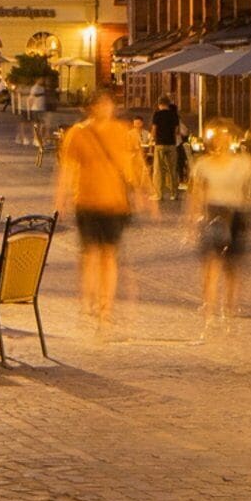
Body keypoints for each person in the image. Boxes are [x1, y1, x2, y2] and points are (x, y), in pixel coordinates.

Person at [56, 89, 148, 332]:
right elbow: (67, 168)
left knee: (109, 255)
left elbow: (132, 163)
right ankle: (88, 301)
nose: (105, 109)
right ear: (92, 107)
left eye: (108, 104)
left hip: (115, 202)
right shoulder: (78, 133)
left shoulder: (122, 131)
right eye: (100, 104)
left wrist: (141, 192)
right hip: (86, 201)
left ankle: (106, 306)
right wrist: (61, 198)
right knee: (89, 255)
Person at [190, 126, 251, 331]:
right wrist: (192, 219)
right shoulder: (204, 165)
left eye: (225, 140)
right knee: (212, 262)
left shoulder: (242, 164)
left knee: (233, 264)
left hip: (236, 212)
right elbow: (197, 192)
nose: (221, 144)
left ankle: (230, 305)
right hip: (213, 211)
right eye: (218, 140)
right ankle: (209, 305)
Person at [151, 95, 188, 209]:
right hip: (171, 144)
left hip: (160, 144)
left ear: (159, 104)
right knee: (172, 169)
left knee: (158, 170)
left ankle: (159, 194)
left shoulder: (157, 114)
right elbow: (176, 131)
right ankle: (174, 194)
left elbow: (154, 130)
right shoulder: (174, 115)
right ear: (168, 104)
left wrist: (153, 138)